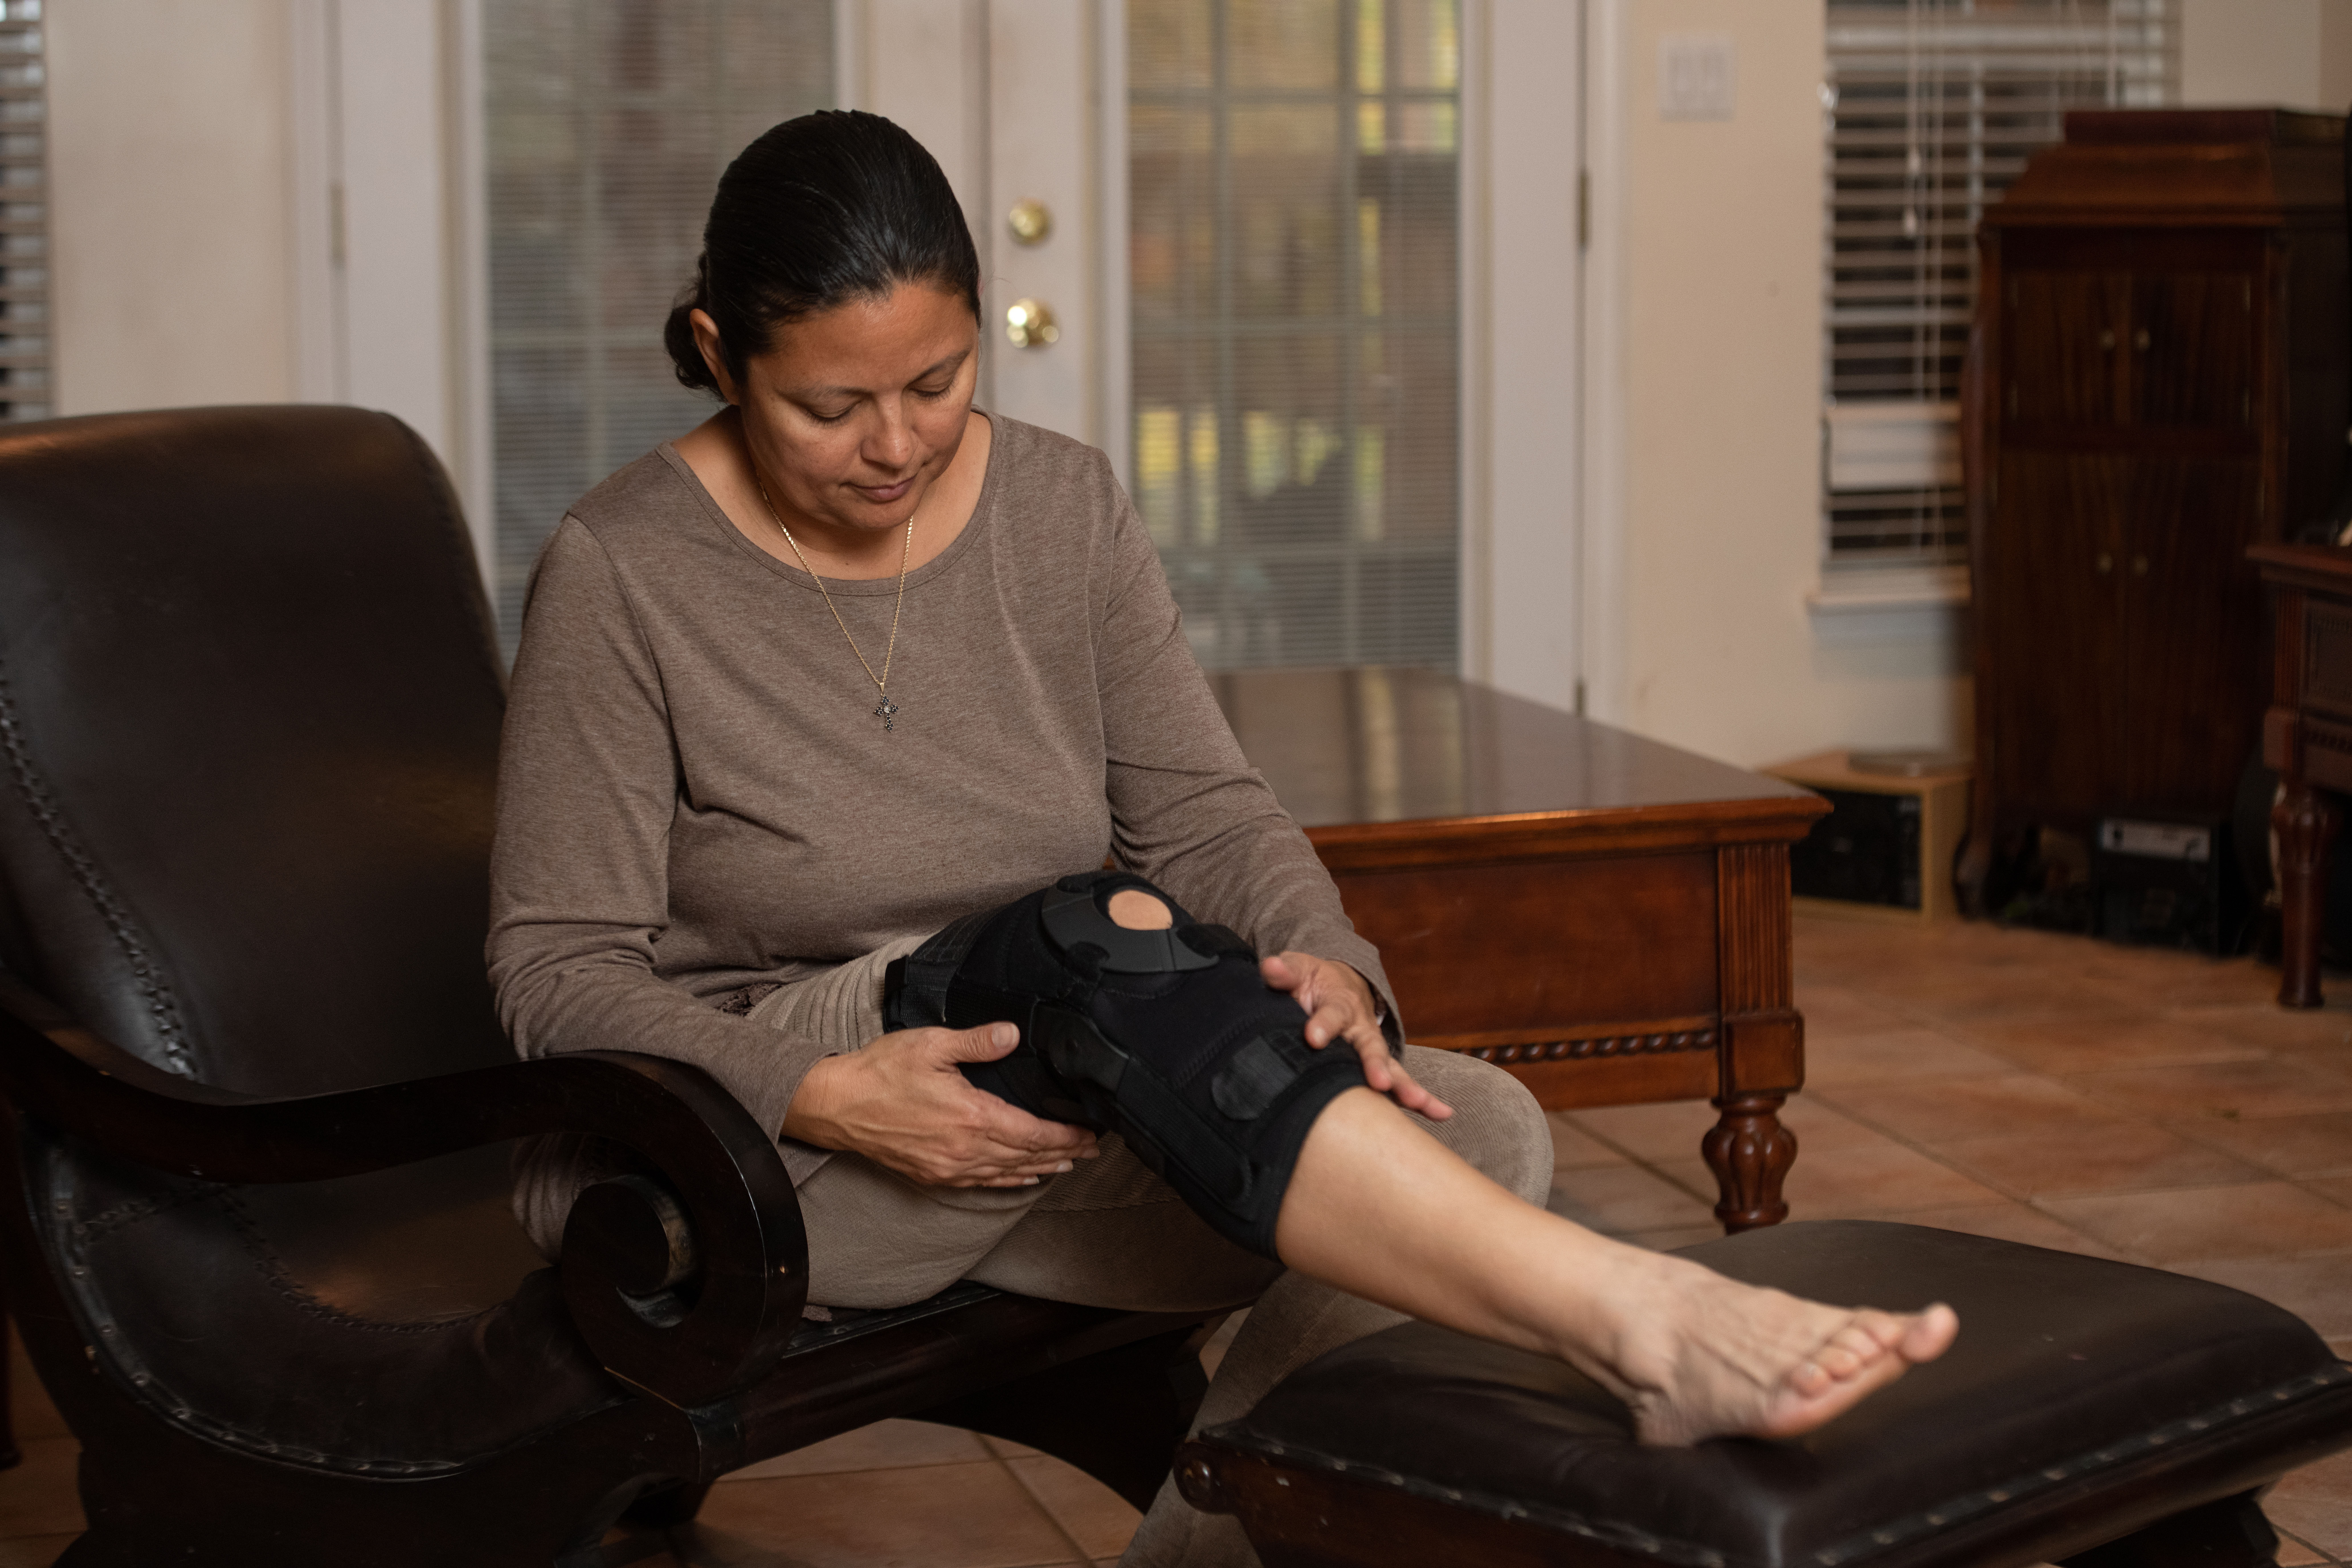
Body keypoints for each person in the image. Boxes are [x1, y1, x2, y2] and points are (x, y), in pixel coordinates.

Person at [488, 109, 1957, 1565]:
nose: (896, 447)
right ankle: (1647, 1319)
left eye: (937, 383)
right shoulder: (623, 570)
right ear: (718, 352)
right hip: (753, 1147)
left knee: (1477, 1124)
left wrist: (1326, 961)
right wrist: (822, 1089)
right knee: (1082, 938)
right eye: (829, 408)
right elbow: (554, 974)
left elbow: (1202, 808)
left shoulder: (1061, 503)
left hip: (1058, 1098)